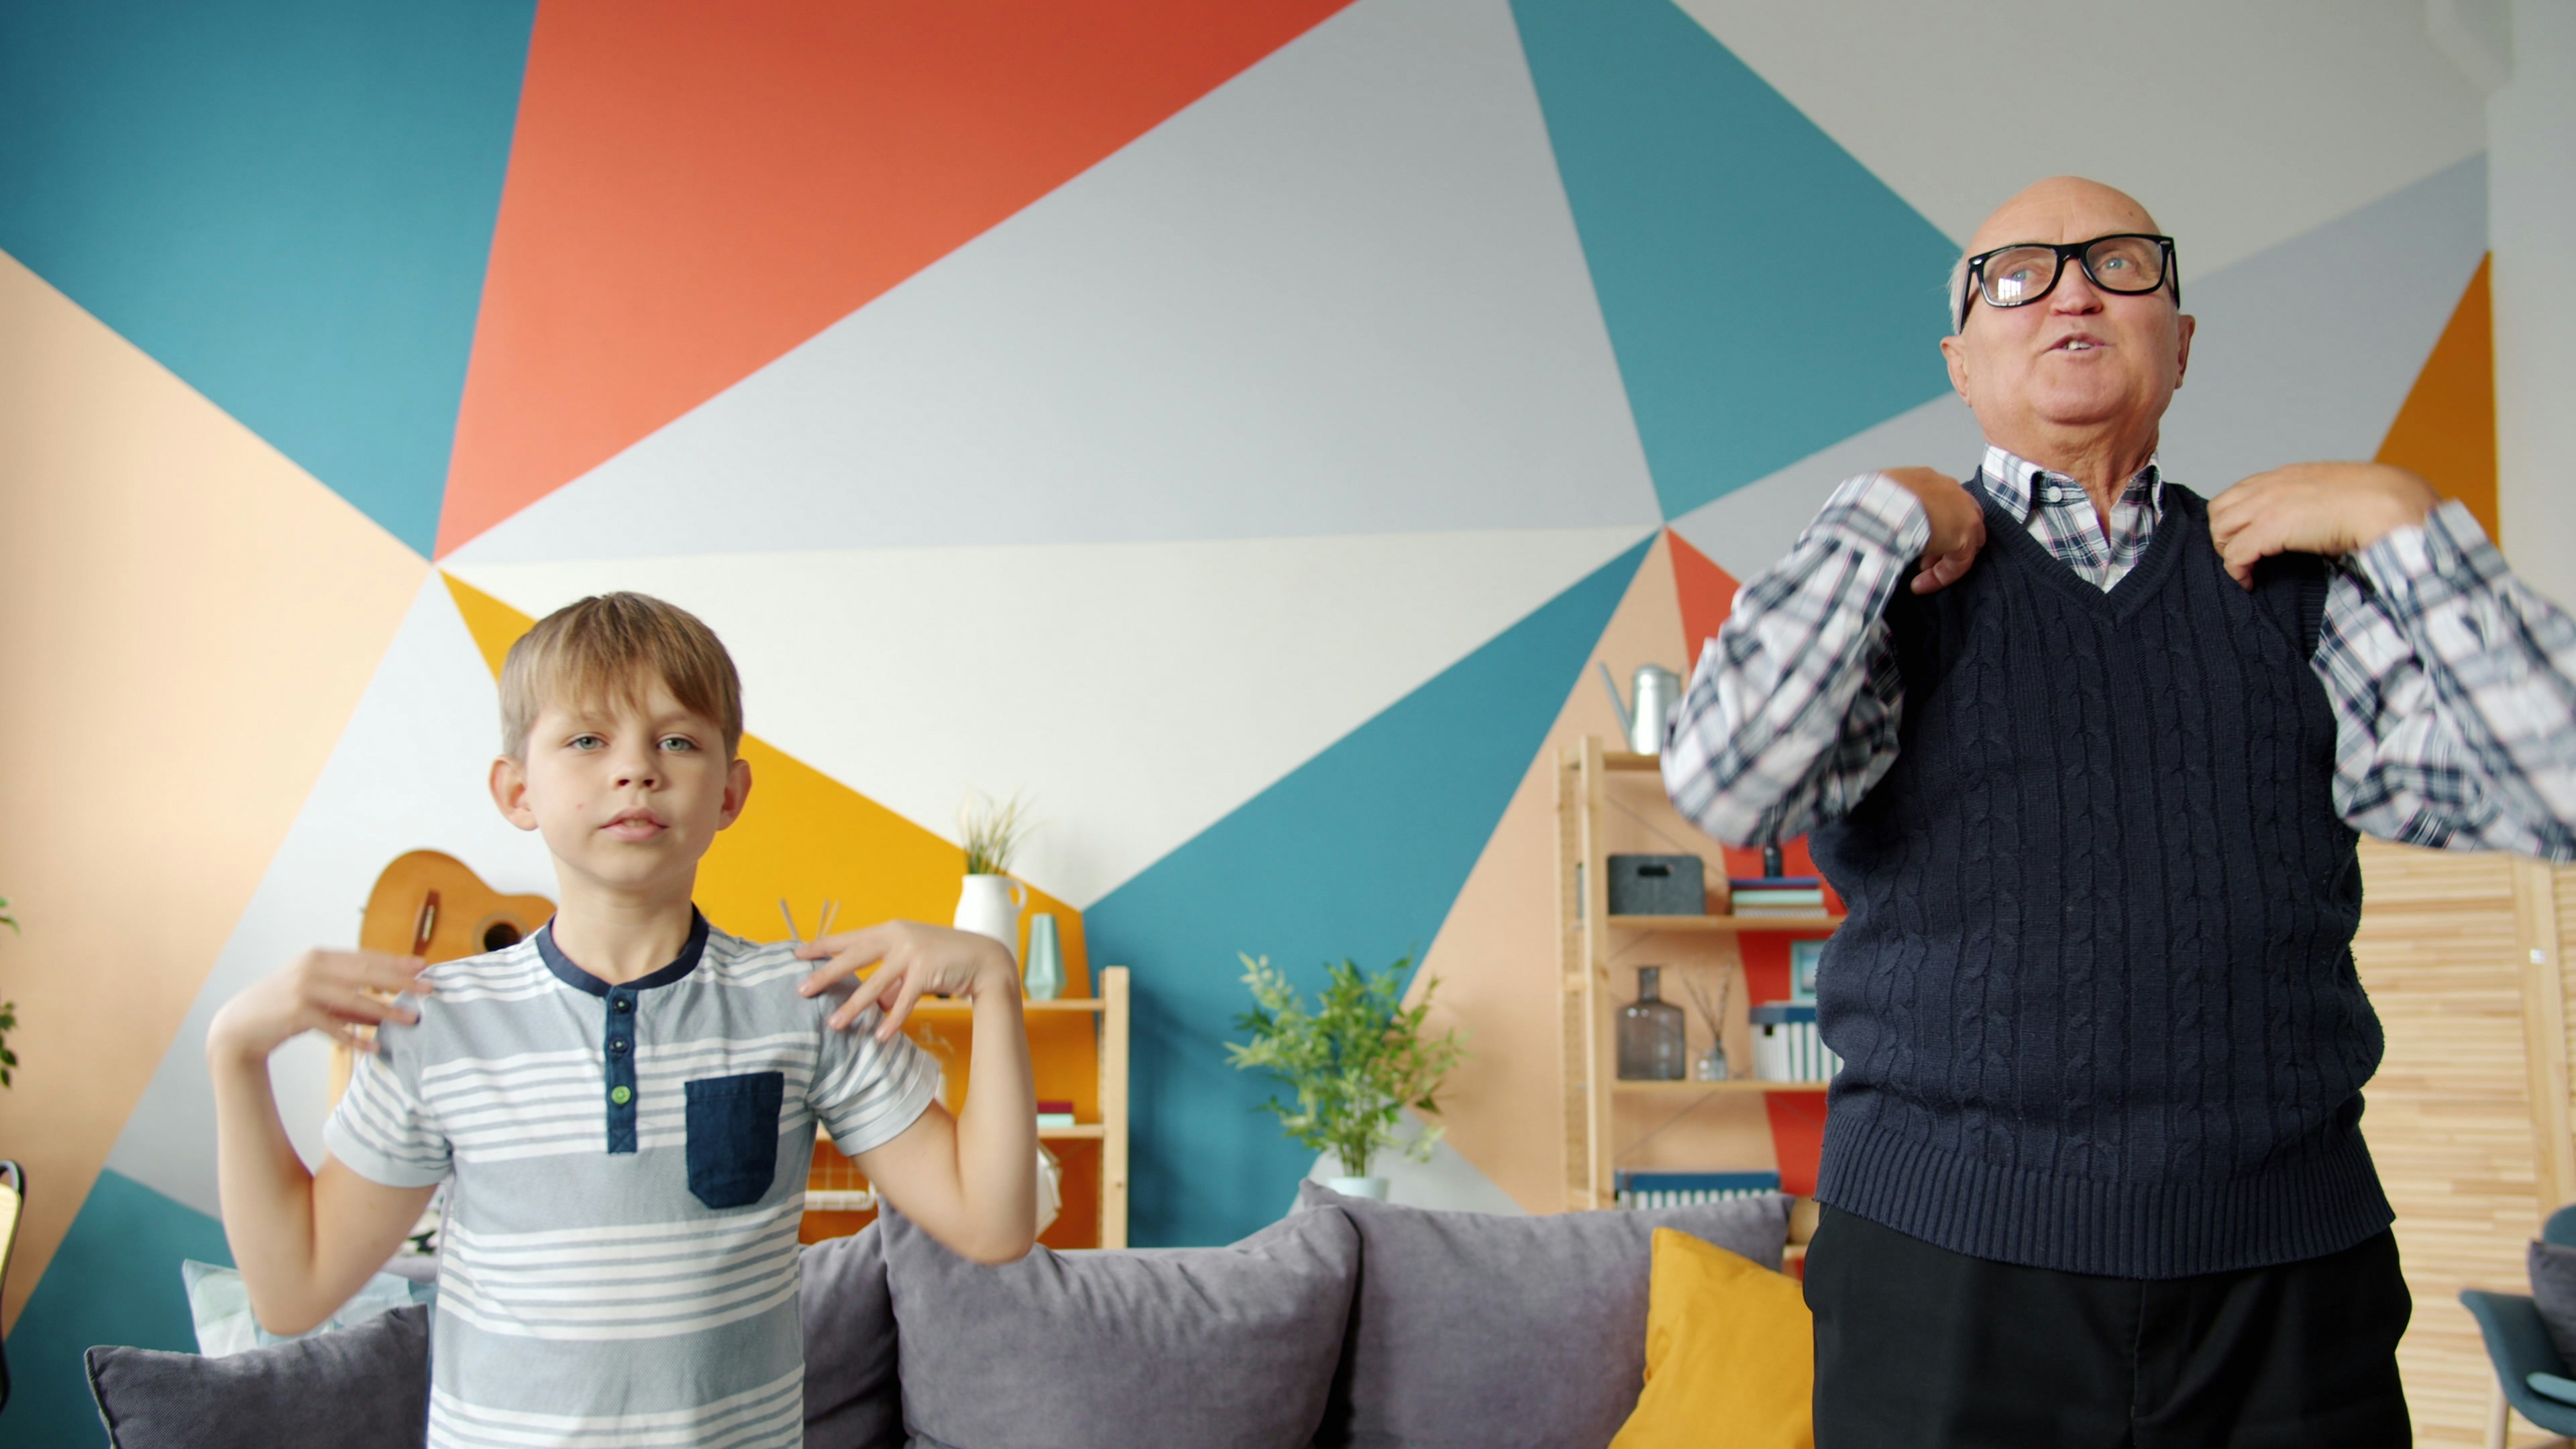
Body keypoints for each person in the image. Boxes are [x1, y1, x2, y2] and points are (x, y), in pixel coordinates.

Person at [1663, 175, 2576, 1446]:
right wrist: (1875, 515)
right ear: (1963, 363)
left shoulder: (2296, 585)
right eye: (2018, 274)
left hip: (2291, 1284)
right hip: (1945, 1276)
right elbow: (1729, 779)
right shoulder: (1895, 590)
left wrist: (2408, 523)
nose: (2076, 287)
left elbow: (2563, 788)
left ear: (2182, 342)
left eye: (2122, 263)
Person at [208, 592, 1037, 1448]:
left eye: (677, 741)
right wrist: (234, 1053)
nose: (636, 768)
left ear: (731, 791)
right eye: (587, 740)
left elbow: (995, 1224)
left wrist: (996, 983)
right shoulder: (438, 1023)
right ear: (517, 789)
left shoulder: (809, 1000)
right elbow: (294, 1290)